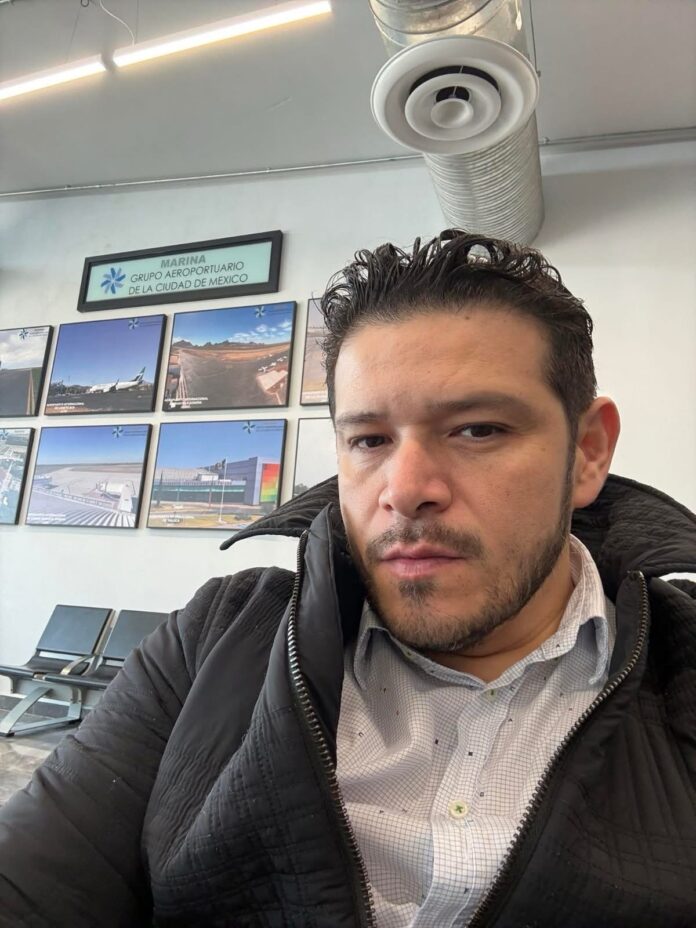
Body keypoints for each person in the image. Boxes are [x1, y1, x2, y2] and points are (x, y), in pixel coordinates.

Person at [0, 230, 695, 928]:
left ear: (587, 452)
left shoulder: (684, 660)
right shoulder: (218, 640)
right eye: (369, 440)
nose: (406, 490)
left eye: (478, 429)